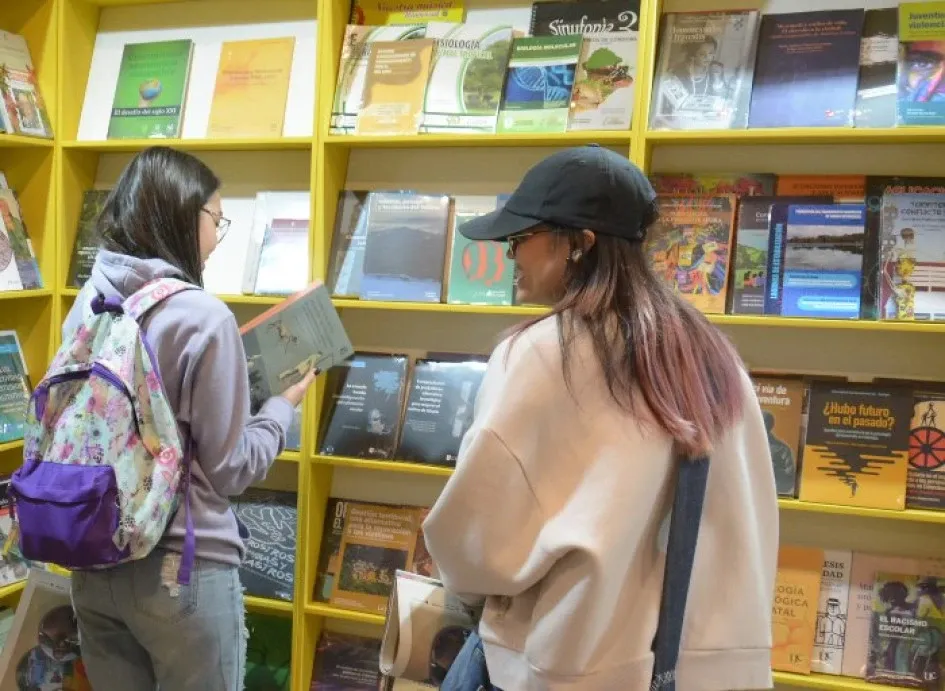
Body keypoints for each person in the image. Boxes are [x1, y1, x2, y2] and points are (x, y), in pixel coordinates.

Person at [422, 145, 779, 691]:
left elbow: (475, 549)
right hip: (699, 669)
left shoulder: (544, 355)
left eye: (521, 239)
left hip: (565, 665)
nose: (510, 256)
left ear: (579, 243)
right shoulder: (711, 356)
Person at [62, 146, 316, 691]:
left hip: (92, 558)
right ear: (183, 214)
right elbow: (230, 470)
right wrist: (281, 408)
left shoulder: (89, 302)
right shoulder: (202, 316)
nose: (218, 235)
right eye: (216, 218)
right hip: (181, 569)